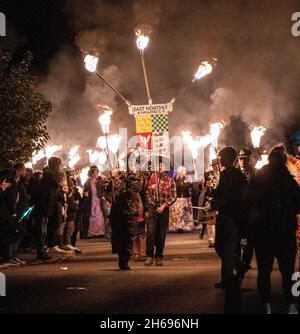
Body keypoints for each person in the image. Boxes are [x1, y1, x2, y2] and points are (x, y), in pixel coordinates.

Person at [246, 145, 300, 314]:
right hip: (285, 232)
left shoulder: (258, 178)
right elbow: (298, 205)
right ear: (283, 161)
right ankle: (291, 304)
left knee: (264, 270)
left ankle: (266, 304)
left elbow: (247, 201)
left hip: (263, 232)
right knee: (289, 271)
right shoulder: (289, 180)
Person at [211, 147, 248, 314]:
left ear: (228, 158)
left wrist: (224, 201)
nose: (219, 160)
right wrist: (214, 195)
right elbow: (220, 193)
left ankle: (229, 278)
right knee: (220, 246)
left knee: (228, 248)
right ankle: (238, 266)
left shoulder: (238, 176)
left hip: (233, 217)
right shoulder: (225, 174)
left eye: (221, 157)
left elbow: (239, 197)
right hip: (224, 215)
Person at [144, 159, 177, 266]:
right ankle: (149, 256)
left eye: (162, 165)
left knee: (161, 234)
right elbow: (147, 192)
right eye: (158, 165)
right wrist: (151, 204)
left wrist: (164, 206)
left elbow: (173, 196)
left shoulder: (170, 180)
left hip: (164, 208)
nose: (160, 167)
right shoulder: (152, 178)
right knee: (151, 232)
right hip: (152, 208)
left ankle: (159, 256)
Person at [236, 148, 256, 270]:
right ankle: (238, 262)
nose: (242, 161)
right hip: (238, 209)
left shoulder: (255, 173)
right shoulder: (236, 173)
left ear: (248, 159)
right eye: (240, 159)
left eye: (244, 158)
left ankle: (246, 261)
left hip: (250, 210)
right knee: (237, 238)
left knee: (250, 238)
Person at [81, 166, 106, 238]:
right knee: (91, 216)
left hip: (98, 200)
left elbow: (102, 190)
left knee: (99, 216)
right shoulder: (87, 182)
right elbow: (85, 192)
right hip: (91, 201)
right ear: (92, 174)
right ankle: (91, 233)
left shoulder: (99, 182)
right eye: (96, 172)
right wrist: (85, 195)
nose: (97, 173)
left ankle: (99, 232)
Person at [169, 166, 193, 233]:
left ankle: (186, 226)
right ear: (181, 172)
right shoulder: (175, 181)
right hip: (178, 200)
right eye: (185, 171)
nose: (186, 173)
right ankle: (178, 226)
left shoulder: (188, 181)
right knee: (177, 214)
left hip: (186, 199)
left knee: (186, 214)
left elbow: (190, 191)